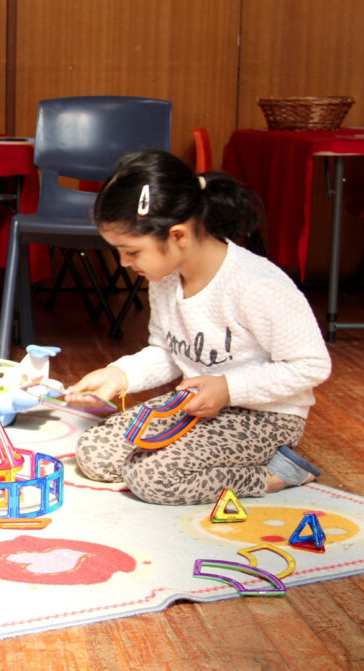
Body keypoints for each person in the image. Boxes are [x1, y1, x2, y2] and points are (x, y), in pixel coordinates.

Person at [67, 149, 331, 506]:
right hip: (196, 406)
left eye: (131, 251)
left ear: (178, 236)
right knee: (94, 452)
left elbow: (311, 366)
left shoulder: (255, 285)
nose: (124, 263)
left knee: (152, 478)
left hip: (266, 416)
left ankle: (275, 474)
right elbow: (167, 351)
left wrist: (228, 388)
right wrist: (120, 375)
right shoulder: (164, 278)